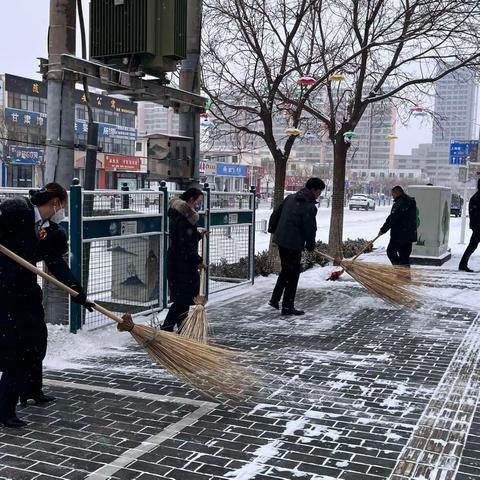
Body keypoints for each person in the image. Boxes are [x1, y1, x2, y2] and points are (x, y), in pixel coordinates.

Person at [0, 183, 94, 428]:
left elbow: (57, 264)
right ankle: (5, 410)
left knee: (37, 342)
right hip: (5, 293)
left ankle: (31, 390)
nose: (61, 209)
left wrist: (76, 290)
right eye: (61, 204)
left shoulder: (51, 232)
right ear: (55, 202)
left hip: (27, 293)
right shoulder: (16, 212)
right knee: (16, 352)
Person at [268, 177, 325, 316]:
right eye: (319, 191)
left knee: (286, 270)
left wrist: (273, 230)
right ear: (314, 189)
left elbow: (276, 214)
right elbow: (310, 228)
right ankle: (287, 307)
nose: (320, 194)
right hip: (293, 244)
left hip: (282, 240)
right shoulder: (309, 206)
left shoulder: (290, 198)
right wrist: (311, 245)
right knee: (293, 275)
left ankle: (275, 299)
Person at [162, 188, 206, 332]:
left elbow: (187, 238)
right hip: (180, 265)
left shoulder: (183, 216)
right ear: (191, 200)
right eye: (198, 202)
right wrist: (198, 260)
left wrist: (198, 235)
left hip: (182, 263)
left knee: (184, 299)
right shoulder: (182, 218)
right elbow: (184, 244)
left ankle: (182, 330)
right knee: (181, 300)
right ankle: (166, 329)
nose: (199, 205)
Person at [378, 185, 417, 266]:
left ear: (397, 193)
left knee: (390, 252)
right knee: (405, 257)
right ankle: (404, 276)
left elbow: (392, 218)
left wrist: (383, 230)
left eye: (393, 194)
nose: (393, 196)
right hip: (409, 235)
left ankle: (399, 270)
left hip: (399, 235)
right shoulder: (410, 201)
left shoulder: (400, 203)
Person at [459, 179, 480, 272]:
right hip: (478, 226)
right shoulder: (477, 197)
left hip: (477, 226)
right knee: (472, 245)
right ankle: (463, 264)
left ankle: (463, 264)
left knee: (472, 245)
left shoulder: (475, 197)